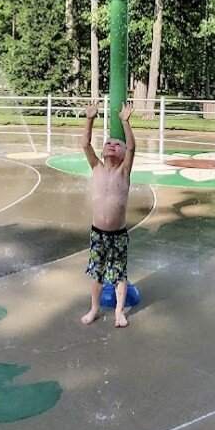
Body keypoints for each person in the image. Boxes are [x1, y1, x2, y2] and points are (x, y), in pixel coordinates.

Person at [81, 101, 136, 328]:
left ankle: (119, 312)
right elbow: (85, 144)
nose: (112, 145)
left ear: (124, 155)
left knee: (119, 274)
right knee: (97, 274)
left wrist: (125, 122)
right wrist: (90, 119)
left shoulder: (124, 171)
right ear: (102, 152)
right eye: (108, 143)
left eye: (117, 144)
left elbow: (132, 148)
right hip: (97, 234)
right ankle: (94, 309)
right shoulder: (96, 167)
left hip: (118, 235)